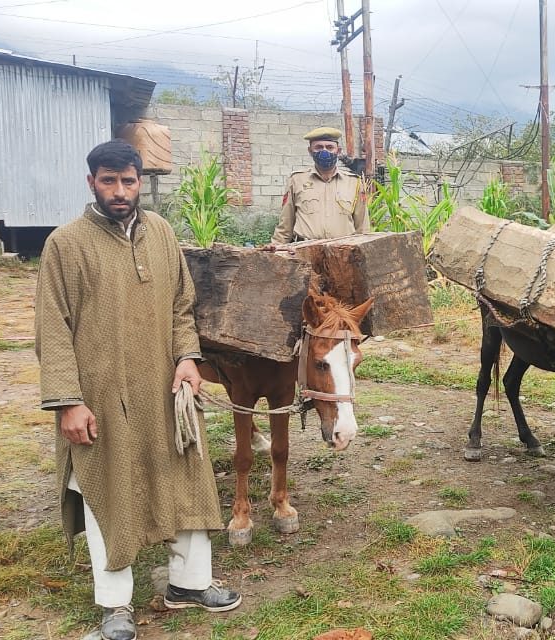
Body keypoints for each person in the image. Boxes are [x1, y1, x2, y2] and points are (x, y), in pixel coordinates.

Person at [35, 141, 241, 640]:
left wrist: (187, 358)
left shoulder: (162, 233)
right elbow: (52, 328)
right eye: (109, 181)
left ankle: (189, 584)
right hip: (101, 395)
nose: (120, 191)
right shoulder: (65, 244)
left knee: (183, 476)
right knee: (105, 488)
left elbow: (181, 305)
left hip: (164, 387)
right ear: (92, 183)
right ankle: (115, 605)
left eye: (128, 181)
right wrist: (69, 401)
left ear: (140, 182)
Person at [270, 126, 370, 244]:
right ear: (310, 151)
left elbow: (362, 228)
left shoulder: (354, 182)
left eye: (329, 147)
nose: (324, 152)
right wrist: (275, 248)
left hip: (343, 250)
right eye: (319, 147)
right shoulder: (296, 180)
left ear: (338, 151)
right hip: (305, 249)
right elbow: (285, 226)